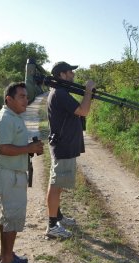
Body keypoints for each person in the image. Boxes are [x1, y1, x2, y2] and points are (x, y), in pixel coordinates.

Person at [0, 82, 44, 263]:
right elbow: (4, 148)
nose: (26, 100)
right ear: (9, 99)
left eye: (27, 96)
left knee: (9, 217)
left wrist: (30, 149)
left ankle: (7, 254)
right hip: (9, 175)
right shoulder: (5, 119)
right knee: (11, 218)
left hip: (13, 174)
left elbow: (11, 145)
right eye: (21, 96)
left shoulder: (13, 117)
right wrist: (29, 149)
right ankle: (6, 261)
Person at [45, 62, 96, 238]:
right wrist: (88, 90)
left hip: (64, 146)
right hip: (63, 147)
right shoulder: (60, 93)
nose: (73, 75)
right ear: (61, 75)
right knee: (56, 184)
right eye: (70, 72)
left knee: (59, 184)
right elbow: (83, 111)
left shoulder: (60, 92)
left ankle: (57, 216)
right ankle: (52, 226)